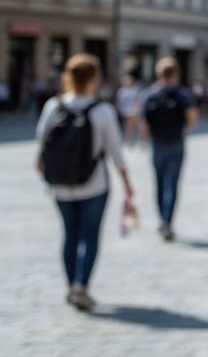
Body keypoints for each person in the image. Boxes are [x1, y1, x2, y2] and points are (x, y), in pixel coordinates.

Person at [34, 54, 134, 310]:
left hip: (61, 187)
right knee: (89, 236)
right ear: (95, 78)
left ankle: (70, 286)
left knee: (69, 235)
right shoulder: (102, 110)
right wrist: (127, 184)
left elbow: (39, 151)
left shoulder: (52, 107)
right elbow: (116, 152)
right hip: (94, 184)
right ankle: (82, 286)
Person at [139, 57, 198, 241]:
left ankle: (161, 220)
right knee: (172, 185)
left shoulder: (149, 94)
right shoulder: (183, 94)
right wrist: (182, 128)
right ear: (177, 74)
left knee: (159, 184)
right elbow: (193, 119)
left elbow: (143, 122)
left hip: (157, 145)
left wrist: (144, 139)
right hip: (176, 143)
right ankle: (168, 221)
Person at [115, 74, 141, 145]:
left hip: (132, 110)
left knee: (131, 125)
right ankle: (128, 138)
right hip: (124, 110)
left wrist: (137, 109)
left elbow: (137, 100)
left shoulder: (135, 89)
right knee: (127, 125)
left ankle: (131, 139)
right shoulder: (121, 90)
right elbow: (119, 101)